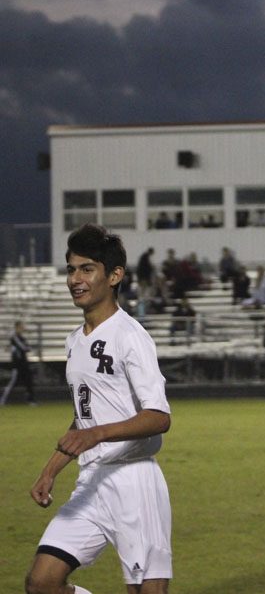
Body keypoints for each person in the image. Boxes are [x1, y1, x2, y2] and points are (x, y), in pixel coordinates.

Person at [25, 223, 172, 594]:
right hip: (91, 482)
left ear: (114, 275)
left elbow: (158, 417)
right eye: (71, 269)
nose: (75, 278)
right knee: (41, 583)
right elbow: (84, 416)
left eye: (87, 268)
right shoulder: (74, 341)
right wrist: (50, 470)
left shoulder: (131, 336)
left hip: (135, 481)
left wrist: (98, 433)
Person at [1, 320, 36, 406]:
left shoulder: (21, 338)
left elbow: (26, 348)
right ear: (17, 327)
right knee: (12, 382)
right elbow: (24, 348)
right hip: (17, 364)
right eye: (21, 326)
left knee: (29, 381)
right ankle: (2, 400)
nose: (23, 328)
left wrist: (27, 348)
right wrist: (26, 348)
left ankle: (30, 400)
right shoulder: (15, 337)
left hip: (24, 363)